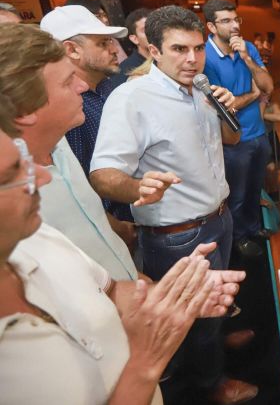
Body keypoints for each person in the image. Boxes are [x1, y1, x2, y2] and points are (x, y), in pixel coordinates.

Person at [0, 117, 246, 405]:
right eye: (12, 174)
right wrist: (144, 365)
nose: (42, 178)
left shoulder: (42, 239)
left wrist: (176, 295)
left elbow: (111, 291)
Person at [88, 6, 256, 403]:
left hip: (219, 219)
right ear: (153, 51)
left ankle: (213, 348)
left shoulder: (200, 89)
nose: (192, 59)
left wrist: (225, 107)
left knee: (211, 309)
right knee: (192, 319)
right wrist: (137, 188)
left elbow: (231, 141)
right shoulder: (132, 98)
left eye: (197, 48)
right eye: (179, 49)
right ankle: (209, 385)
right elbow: (102, 174)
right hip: (179, 234)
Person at [0, 23, 137, 280]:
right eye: (67, 81)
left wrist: (132, 279)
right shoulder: (10, 197)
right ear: (25, 109)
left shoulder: (60, 142)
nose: (82, 87)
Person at [202, 0, 274, 256]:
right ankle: (238, 239)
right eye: (226, 21)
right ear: (211, 26)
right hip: (233, 141)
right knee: (238, 195)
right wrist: (252, 96)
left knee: (255, 188)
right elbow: (223, 105)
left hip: (258, 134)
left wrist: (246, 57)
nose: (234, 25)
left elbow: (268, 86)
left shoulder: (249, 48)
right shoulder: (205, 57)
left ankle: (253, 228)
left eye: (236, 20)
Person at [39, 5, 128, 177]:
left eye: (111, 41)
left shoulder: (106, 85)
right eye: (102, 43)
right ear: (72, 50)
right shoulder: (65, 106)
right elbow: (80, 175)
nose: (115, 50)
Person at [118, 7, 152, 75]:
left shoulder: (168, 58)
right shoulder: (125, 70)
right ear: (135, 39)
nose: (152, 32)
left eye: (154, 27)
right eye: (145, 30)